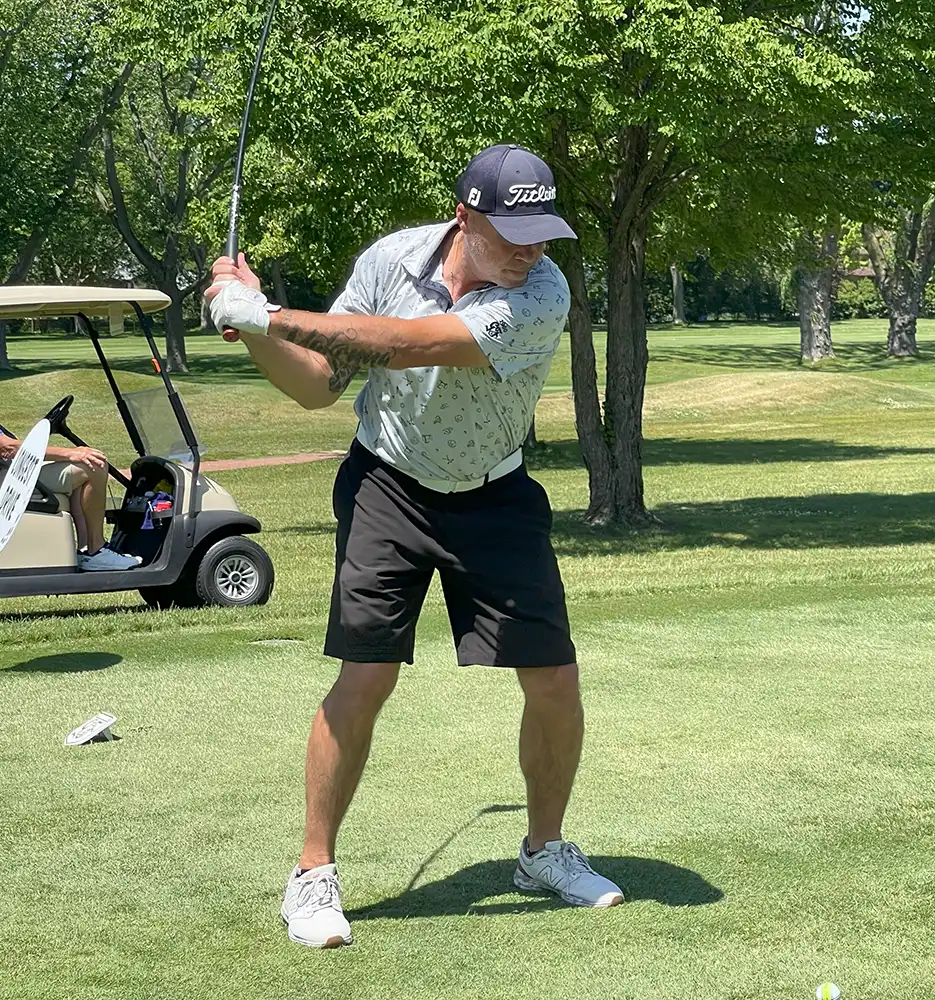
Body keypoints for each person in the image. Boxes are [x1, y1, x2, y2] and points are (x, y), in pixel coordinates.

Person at [207, 144, 624, 949]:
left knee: (554, 680)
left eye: (543, 233)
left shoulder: (542, 293)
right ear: (465, 217)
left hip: (494, 493)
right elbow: (318, 383)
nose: (531, 250)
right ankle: (312, 875)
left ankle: (543, 852)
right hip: (387, 484)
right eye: (513, 234)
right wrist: (250, 325)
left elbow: (409, 343)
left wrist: (268, 314)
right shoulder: (390, 260)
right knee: (365, 675)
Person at [0, 420, 138, 571]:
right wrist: (70, 453)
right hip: (10, 482)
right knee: (93, 466)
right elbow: (8, 448)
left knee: (83, 466)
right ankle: (96, 548)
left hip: (15, 474)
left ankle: (86, 550)